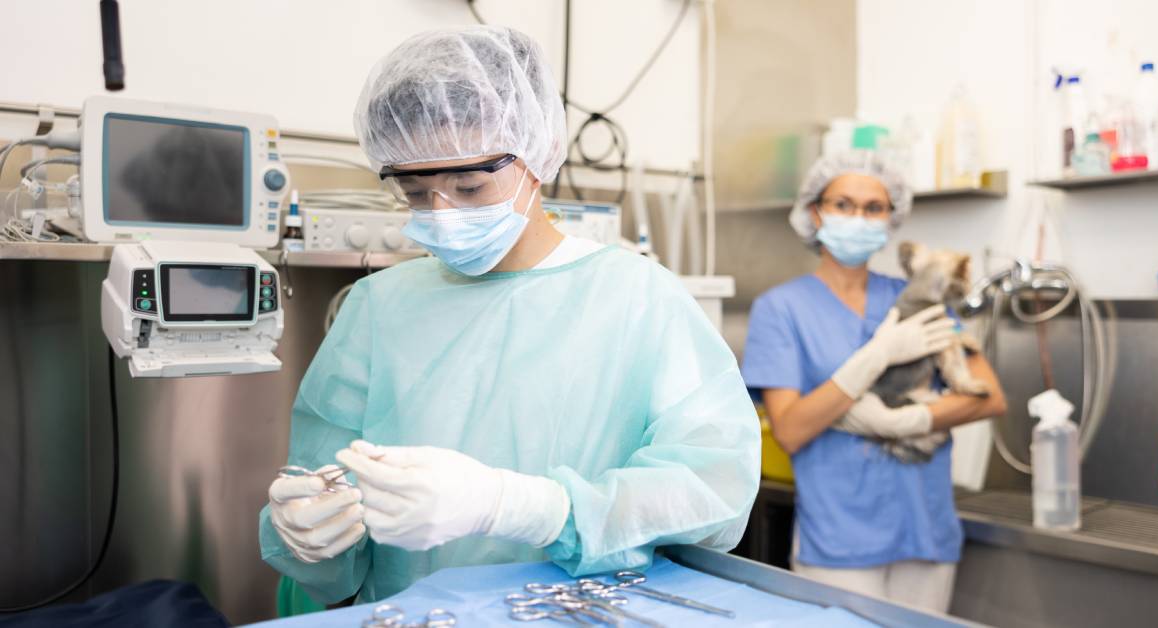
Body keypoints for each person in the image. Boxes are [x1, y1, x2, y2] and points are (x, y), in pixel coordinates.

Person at [258, 25, 760, 606]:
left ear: (539, 153)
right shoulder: (377, 308)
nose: (442, 214)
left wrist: (529, 509)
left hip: (588, 613)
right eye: (417, 194)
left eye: (469, 186)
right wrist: (309, 533)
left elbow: (714, 490)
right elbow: (324, 486)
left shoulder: (637, 298)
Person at [740, 150, 1007, 613]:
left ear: (891, 219)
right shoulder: (780, 310)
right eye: (843, 204)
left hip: (925, 529)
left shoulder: (916, 296)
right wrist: (875, 357)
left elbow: (988, 395)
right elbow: (791, 428)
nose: (858, 217)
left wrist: (906, 420)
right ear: (814, 212)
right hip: (839, 538)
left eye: (873, 208)